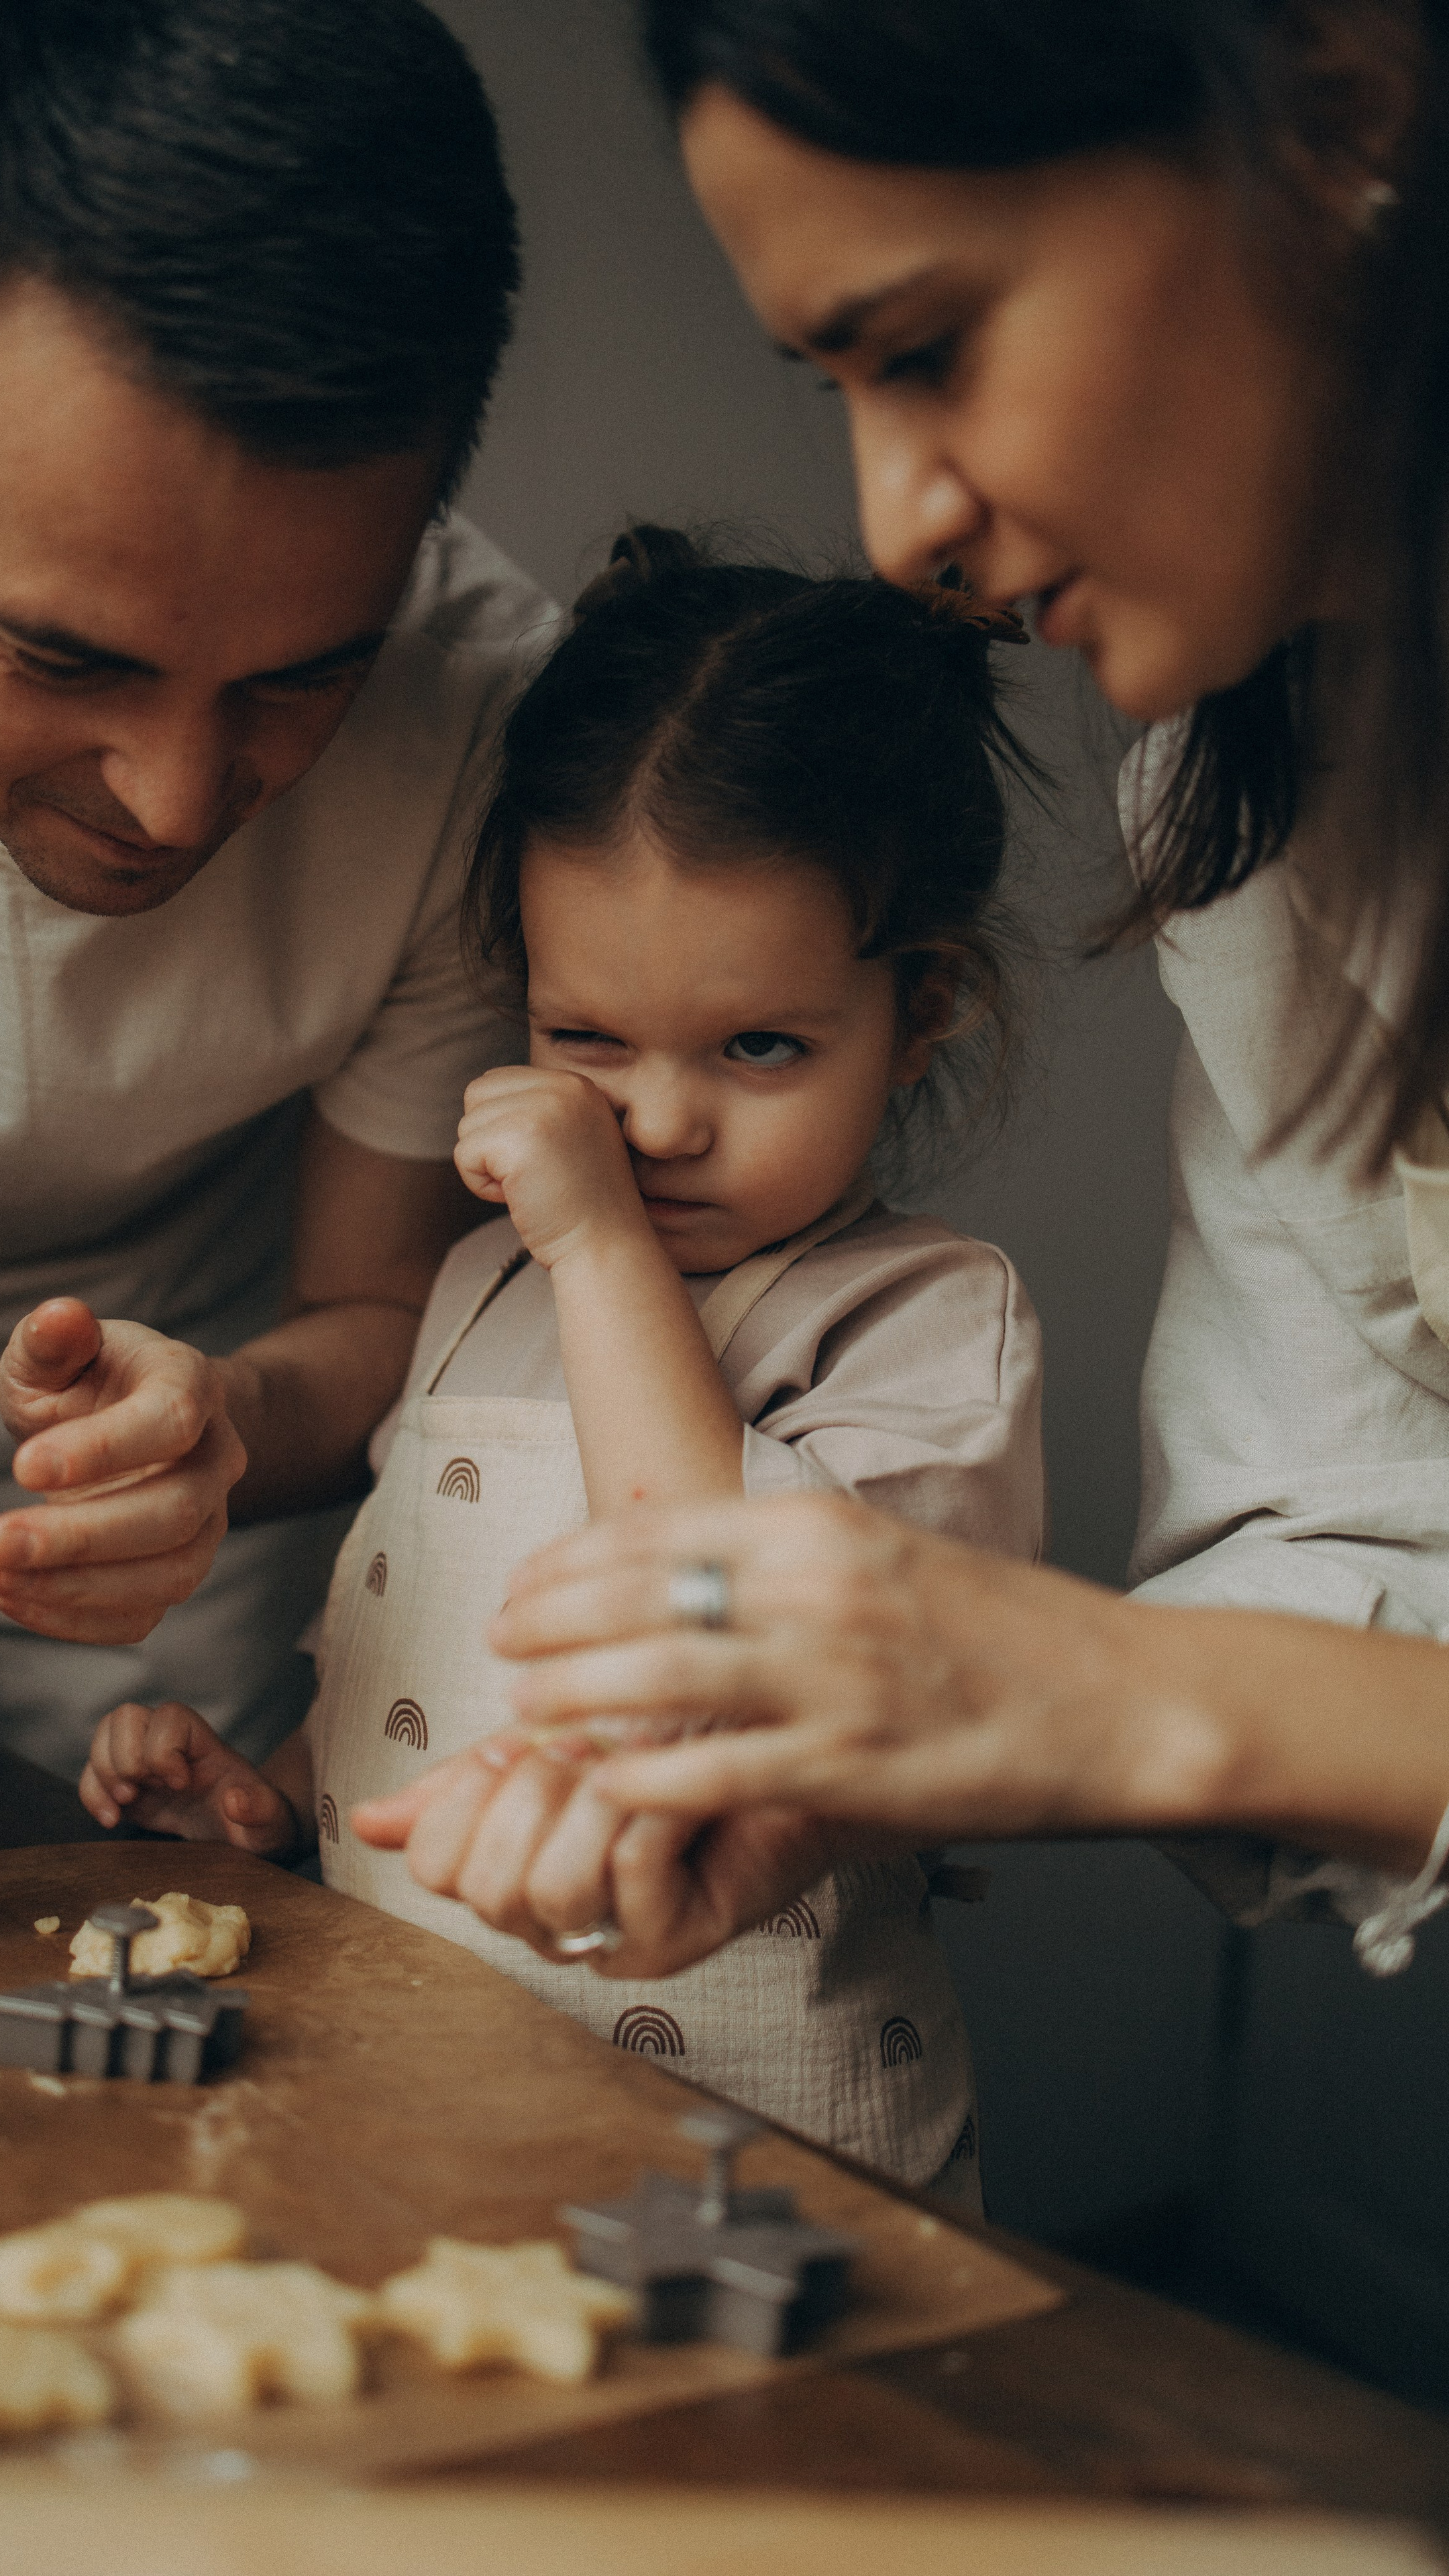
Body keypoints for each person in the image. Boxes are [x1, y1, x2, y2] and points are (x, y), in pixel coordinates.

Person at [384, 0, 1449, 1994]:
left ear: (1343, 108)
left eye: (934, 348)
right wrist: (920, 1749)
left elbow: (1196, 1681)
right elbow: (1341, 1541)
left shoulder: (927, 1323)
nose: (900, 528)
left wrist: (1108, 1694)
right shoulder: (1248, 812)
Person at [76, 527, 1043, 2193]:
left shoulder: (923, 1325)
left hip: (771, 2170)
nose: (656, 1122)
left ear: (921, 1009)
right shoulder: (473, 1287)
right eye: (584, 1036)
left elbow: (728, 1640)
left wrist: (596, 1246)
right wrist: (273, 1806)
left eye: (756, 1047)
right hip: (425, 2118)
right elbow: (419, 1678)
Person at [0, 0, 550, 1839]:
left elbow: (377, 1301)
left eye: (300, 679)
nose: (177, 803)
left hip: (196, 1628)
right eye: (59, 654)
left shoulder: (494, 719)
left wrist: (221, 1433)